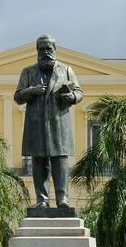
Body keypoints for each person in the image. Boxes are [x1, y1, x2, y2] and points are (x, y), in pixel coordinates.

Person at [14, 34, 83, 208]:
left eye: (49, 49)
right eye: (42, 49)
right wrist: (32, 90)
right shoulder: (28, 72)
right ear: (37, 51)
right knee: (39, 161)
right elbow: (18, 97)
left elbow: (79, 92)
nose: (45, 52)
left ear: (55, 50)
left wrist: (71, 96)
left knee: (60, 161)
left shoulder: (66, 70)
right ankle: (42, 200)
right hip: (36, 124)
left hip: (58, 123)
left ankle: (62, 199)